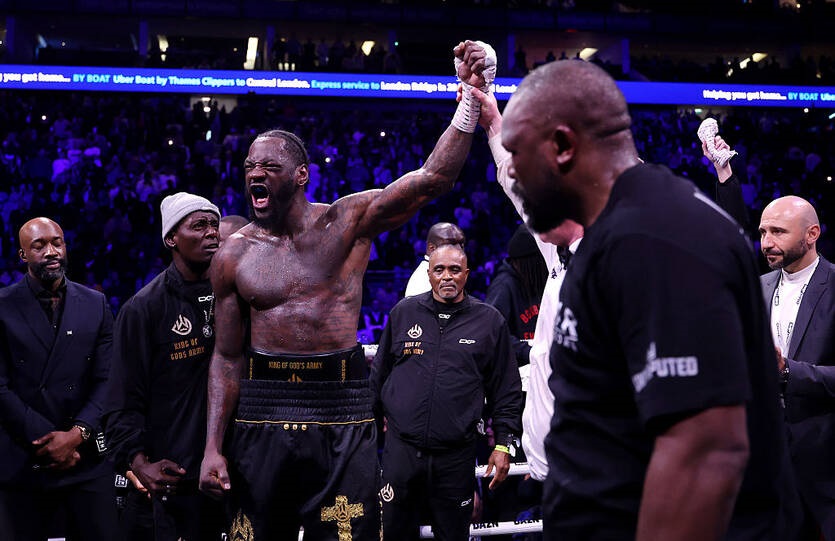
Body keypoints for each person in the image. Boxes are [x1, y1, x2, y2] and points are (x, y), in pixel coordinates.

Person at [198, 40, 496, 540]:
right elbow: (226, 357)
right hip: (262, 406)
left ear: (300, 175)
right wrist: (212, 446)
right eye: (249, 167)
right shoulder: (234, 254)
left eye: (268, 167)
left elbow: (432, 179)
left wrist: (469, 100)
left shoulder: (346, 223)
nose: (255, 174)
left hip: (341, 403)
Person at [501, 59, 800, 540]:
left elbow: (702, 452)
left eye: (516, 153)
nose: (511, 172)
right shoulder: (612, 234)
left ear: (562, 146)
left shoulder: (656, 237)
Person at [371, 243, 522, 540]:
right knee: (393, 534)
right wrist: (369, 440)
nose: (447, 276)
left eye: (455, 269)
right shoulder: (404, 313)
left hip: (455, 456)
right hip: (401, 452)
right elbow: (377, 380)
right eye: (439, 269)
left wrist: (504, 444)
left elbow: (506, 390)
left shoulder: (489, 321)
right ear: (428, 274)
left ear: (466, 274)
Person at [473, 84, 584, 484]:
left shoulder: (616, 265)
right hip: (551, 469)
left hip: (593, 471)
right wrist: (493, 121)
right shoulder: (559, 249)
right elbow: (516, 186)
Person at [104, 193, 226, 541]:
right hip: (177, 477)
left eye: (214, 224)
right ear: (171, 238)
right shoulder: (143, 309)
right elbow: (123, 397)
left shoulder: (236, 295)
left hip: (233, 469)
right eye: (198, 225)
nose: (211, 232)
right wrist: (138, 462)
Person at [0, 217, 117, 540]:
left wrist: (76, 435)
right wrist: (51, 441)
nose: (51, 251)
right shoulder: (3, 307)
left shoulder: (95, 304)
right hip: (23, 460)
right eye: (39, 246)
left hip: (86, 460)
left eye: (57, 242)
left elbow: (107, 379)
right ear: (23, 255)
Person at [485, 224, 548, 368]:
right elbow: (491, 331)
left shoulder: (542, 280)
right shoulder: (504, 286)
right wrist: (528, 352)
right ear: (534, 261)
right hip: (518, 369)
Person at [404, 221, 466, 296]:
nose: (459, 249)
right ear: (432, 248)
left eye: (461, 245)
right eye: (452, 244)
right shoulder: (422, 280)